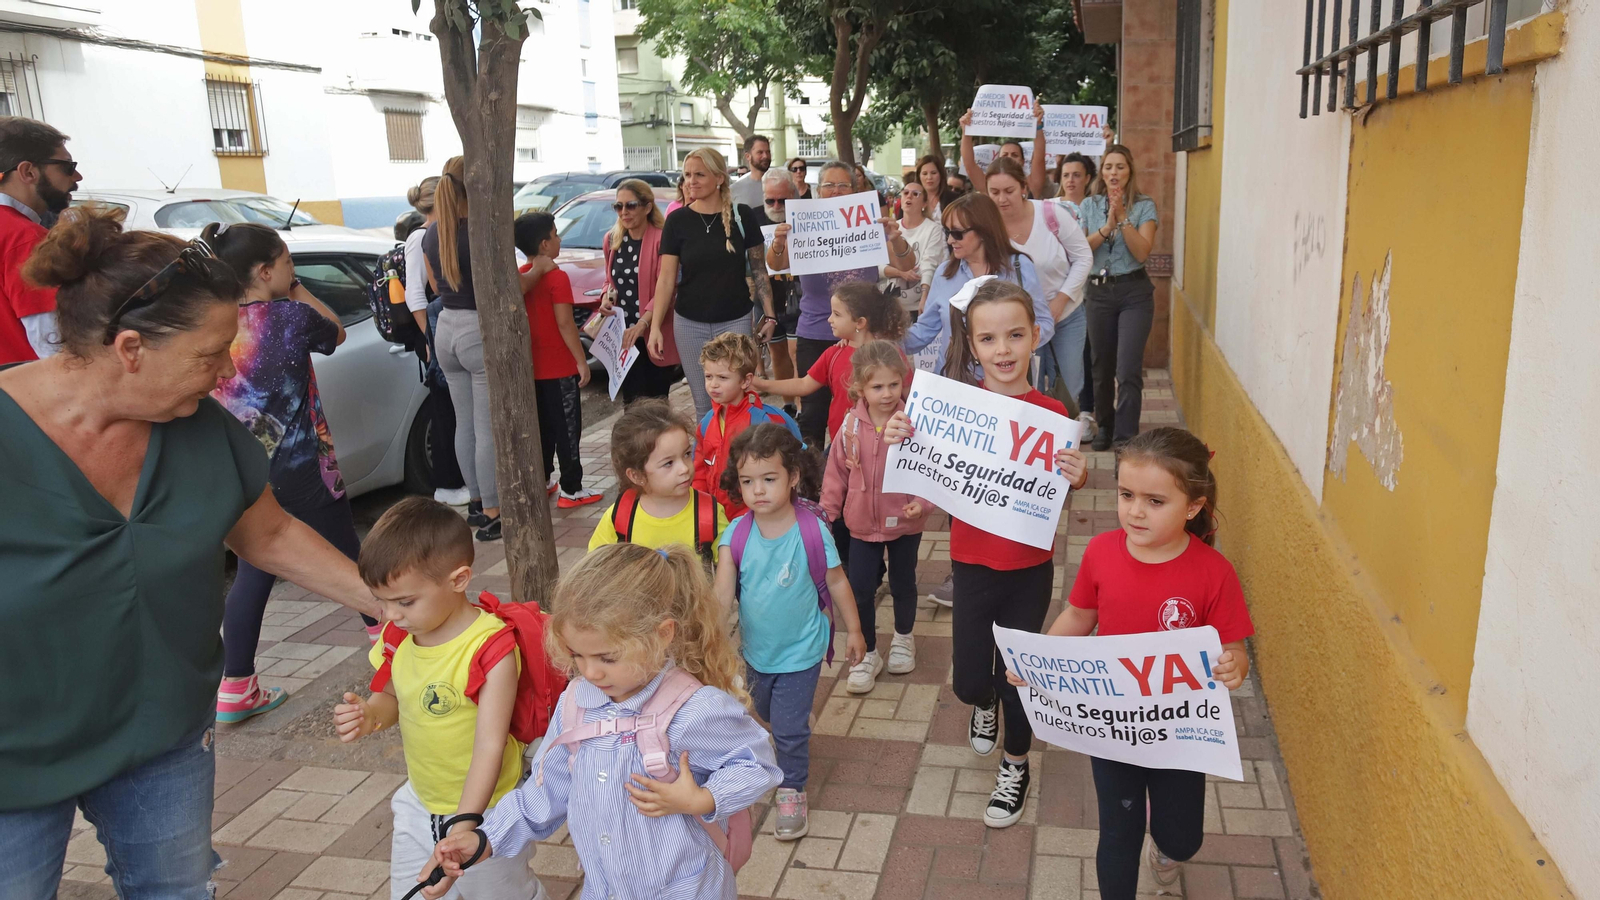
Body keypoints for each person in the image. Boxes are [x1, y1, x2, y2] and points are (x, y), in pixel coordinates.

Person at [0, 206, 381, 899]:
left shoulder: (198, 428)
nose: (222, 373)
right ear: (131, 349)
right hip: (14, 753)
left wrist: (385, 604)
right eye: (210, 355)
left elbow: (266, 534)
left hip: (162, 735)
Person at [420, 543, 783, 900]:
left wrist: (703, 798)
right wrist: (485, 839)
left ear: (662, 634)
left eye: (607, 657)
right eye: (577, 655)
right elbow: (544, 793)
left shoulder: (693, 709)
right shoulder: (576, 703)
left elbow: (757, 763)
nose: (590, 671)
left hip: (686, 889)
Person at [1015, 427, 1253, 897]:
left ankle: (1167, 853)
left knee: (1183, 837)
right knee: (1117, 834)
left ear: (1193, 507)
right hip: (1113, 727)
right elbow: (1081, 614)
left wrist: (1235, 666)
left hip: (1181, 733)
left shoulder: (1214, 573)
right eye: (1126, 495)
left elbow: (1235, 648)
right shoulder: (1102, 551)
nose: (1135, 511)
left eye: (1154, 501)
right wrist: (1039, 659)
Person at [886, 279, 1088, 829]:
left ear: (1036, 337)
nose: (1004, 350)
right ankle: (983, 704)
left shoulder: (1052, 412)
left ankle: (1016, 764)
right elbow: (925, 459)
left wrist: (1078, 475)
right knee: (972, 681)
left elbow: (1056, 490)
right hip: (971, 566)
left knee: (1018, 677)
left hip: (1029, 570)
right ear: (972, 346)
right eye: (989, 338)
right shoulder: (954, 408)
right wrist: (901, 432)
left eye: (1015, 335)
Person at [203, 221, 382, 721]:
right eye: (286, 263)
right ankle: (393, 651)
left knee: (257, 568)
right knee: (352, 561)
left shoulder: (212, 320)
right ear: (265, 271)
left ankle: (235, 686)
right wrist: (298, 288)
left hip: (242, 470)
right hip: (304, 468)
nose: (292, 270)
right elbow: (338, 330)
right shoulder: (289, 316)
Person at [333, 498, 548, 900]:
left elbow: (490, 744)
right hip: (420, 801)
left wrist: (466, 825)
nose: (390, 615)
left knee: (504, 895)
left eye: (405, 601)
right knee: (412, 893)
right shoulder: (399, 636)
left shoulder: (490, 648)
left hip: (488, 810)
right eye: (383, 601)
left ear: (459, 579)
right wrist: (369, 715)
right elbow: (391, 698)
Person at [714, 424, 866, 840]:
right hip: (757, 652)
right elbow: (721, 596)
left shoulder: (811, 531)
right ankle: (790, 718)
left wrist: (854, 630)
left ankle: (793, 789)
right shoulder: (736, 535)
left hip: (803, 650)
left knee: (787, 731)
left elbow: (836, 582)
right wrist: (706, 637)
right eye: (748, 481)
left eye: (769, 479)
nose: (758, 490)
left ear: (793, 477)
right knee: (760, 711)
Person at [425, 156, 552, 541]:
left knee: (465, 423)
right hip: (477, 328)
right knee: (487, 428)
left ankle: (478, 503)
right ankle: (496, 510)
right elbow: (508, 290)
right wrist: (541, 269)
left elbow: (435, 286)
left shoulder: (433, 232)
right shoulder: (481, 232)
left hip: (446, 326)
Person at [764, 160, 917, 447]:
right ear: (817, 190)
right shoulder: (803, 222)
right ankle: (815, 482)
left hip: (865, 334)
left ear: (855, 189)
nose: (835, 191)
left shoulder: (870, 222)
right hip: (816, 330)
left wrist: (895, 239)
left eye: (843, 185)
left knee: (868, 409)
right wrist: (779, 242)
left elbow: (907, 262)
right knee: (812, 413)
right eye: (829, 186)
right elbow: (776, 264)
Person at [821, 341, 927, 692]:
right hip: (861, 526)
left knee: (903, 583)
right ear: (860, 388)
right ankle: (867, 652)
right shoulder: (851, 426)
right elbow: (836, 474)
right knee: (861, 589)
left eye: (893, 385)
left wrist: (923, 504)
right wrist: (827, 515)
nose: (886, 394)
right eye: (877, 386)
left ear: (903, 381)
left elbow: (931, 470)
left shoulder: (915, 422)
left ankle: (903, 637)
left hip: (906, 522)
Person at [648, 147, 777, 421]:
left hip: (735, 321)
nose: (690, 181)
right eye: (686, 175)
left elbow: (759, 270)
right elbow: (666, 278)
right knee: (704, 405)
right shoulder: (677, 220)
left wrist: (770, 316)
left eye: (699, 174)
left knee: (736, 401)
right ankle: (710, 462)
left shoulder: (742, 216)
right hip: (689, 323)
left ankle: (737, 461)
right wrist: (656, 326)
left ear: (719, 178)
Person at [985, 154, 1092, 415]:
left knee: (1068, 385)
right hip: (1019, 324)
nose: (1002, 199)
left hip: (1065, 315)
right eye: (994, 192)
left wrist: (1061, 300)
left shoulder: (1051, 214)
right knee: (1027, 387)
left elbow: (1084, 257)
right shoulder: (987, 226)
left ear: (1023, 187)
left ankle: (1066, 445)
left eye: (1009, 190)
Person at [903, 193, 1053, 376]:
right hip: (953, 382)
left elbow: (1043, 323)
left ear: (983, 231)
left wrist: (1008, 347)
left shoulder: (1019, 267)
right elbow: (924, 330)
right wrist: (881, 340)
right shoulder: (944, 273)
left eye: (957, 233)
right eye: (947, 232)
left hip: (1005, 384)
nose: (950, 240)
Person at [514, 212, 604, 509]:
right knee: (567, 429)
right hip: (559, 366)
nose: (559, 239)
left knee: (542, 428)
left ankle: (544, 479)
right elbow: (565, 323)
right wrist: (580, 360)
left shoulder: (523, 275)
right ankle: (572, 488)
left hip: (533, 367)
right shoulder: (557, 277)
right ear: (544, 244)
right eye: (555, 234)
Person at [755, 281, 906, 447]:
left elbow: (910, 394)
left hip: (884, 444)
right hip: (841, 443)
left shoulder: (889, 354)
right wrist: (762, 384)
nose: (829, 319)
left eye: (837, 314)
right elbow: (804, 385)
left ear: (860, 323)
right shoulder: (833, 354)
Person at [1082, 143, 1159, 450]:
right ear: (1102, 172)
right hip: (1099, 292)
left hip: (1134, 293)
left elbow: (1141, 252)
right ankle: (1106, 425)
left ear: (1130, 172)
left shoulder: (1144, 206)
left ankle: (1126, 437)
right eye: (1109, 167)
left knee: (1127, 368)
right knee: (1100, 365)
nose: (1114, 173)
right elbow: (1081, 248)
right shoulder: (1089, 205)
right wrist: (1106, 227)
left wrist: (1124, 218)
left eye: (1120, 167)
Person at [402, 177, 469, 506]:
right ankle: (448, 483)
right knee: (444, 413)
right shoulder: (420, 237)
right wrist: (429, 339)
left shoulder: (438, 233)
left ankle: (459, 479)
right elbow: (414, 293)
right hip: (433, 331)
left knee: (456, 410)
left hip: (440, 328)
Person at [588, 398, 729, 553]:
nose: (684, 468)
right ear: (636, 475)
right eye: (668, 463)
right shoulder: (620, 517)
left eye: (687, 454)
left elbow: (729, 570)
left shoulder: (710, 514)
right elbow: (597, 569)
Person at [693, 331, 802, 518]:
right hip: (716, 519)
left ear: (746, 380)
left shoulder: (767, 422)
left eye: (722, 377)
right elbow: (699, 472)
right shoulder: (706, 423)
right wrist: (702, 511)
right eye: (709, 377)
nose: (713, 385)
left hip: (759, 518)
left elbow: (793, 468)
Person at [0, 117, 80, 364]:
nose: (77, 176)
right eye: (67, 166)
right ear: (28, 171)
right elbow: (52, 347)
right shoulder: (25, 238)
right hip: (24, 394)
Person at [597, 179, 680, 402]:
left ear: (647, 207)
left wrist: (643, 324)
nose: (624, 212)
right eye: (618, 206)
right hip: (624, 335)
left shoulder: (662, 239)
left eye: (631, 205)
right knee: (631, 402)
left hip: (653, 331)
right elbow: (609, 279)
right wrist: (606, 297)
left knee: (656, 401)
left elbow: (668, 289)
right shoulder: (612, 239)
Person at [1054, 153, 1100, 440]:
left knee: (1087, 356)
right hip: (1061, 295)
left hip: (1092, 293)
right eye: (1066, 174)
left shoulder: (1097, 207)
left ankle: (1086, 412)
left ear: (1088, 178)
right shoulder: (1051, 208)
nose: (1070, 180)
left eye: (1076, 174)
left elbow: (1083, 250)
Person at [750, 169, 800, 415]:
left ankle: (802, 406)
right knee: (777, 352)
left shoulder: (806, 215)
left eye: (783, 199)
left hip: (799, 295)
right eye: (771, 200)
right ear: (763, 197)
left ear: (794, 194)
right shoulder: (754, 218)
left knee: (797, 353)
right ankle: (789, 405)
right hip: (767, 297)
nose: (777, 205)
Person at [888, 180, 946, 314]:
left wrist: (925, 297)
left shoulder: (933, 229)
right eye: (905, 193)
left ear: (924, 204)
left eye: (915, 194)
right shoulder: (891, 228)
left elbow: (929, 263)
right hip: (889, 305)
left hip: (917, 306)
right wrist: (900, 273)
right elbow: (878, 265)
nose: (909, 196)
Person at [731, 134, 772, 212]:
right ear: (748, 156)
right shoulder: (734, 190)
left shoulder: (785, 185)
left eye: (768, 152)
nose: (765, 156)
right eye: (760, 152)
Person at [914, 155, 959, 221]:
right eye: (925, 173)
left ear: (941, 174)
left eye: (933, 173)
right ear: (919, 176)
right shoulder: (911, 198)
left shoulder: (954, 199)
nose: (929, 177)